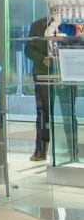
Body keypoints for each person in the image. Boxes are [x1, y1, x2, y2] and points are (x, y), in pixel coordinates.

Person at [26, 17, 79, 162]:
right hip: (44, 74)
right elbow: (28, 50)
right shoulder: (37, 25)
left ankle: (73, 151)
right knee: (43, 115)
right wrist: (42, 58)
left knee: (69, 113)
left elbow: (78, 45)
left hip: (66, 74)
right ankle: (40, 151)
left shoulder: (72, 25)